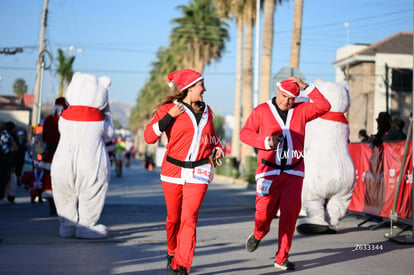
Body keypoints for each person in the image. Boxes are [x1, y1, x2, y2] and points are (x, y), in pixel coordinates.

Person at [239, 76, 331, 271]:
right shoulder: (261, 111)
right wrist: (267, 142)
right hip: (268, 171)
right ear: (277, 91)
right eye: (283, 96)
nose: (286, 101)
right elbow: (244, 134)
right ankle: (258, 233)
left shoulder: (302, 109)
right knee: (263, 214)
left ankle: (282, 258)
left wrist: (305, 86)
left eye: (291, 98)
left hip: (294, 172)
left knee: (290, 214)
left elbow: (324, 106)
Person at [144, 68, 224, 275]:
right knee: (173, 219)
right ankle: (172, 251)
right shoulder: (169, 109)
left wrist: (217, 148)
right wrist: (169, 117)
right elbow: (149, 137)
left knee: (189, 218)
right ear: (189, 89)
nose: (204, 89)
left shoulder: (207, 111)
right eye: (200, 85)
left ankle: (181, 265)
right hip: (173, 171)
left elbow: (212, 137)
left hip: (199, 170)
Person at [0, 121, 17, 204]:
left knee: (4, 178)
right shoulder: (6, 136)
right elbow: (5, 149)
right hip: (3, 160)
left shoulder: (3, 134)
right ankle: (2, 197)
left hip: (4, 160)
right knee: (3, 179)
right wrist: (13, 148)